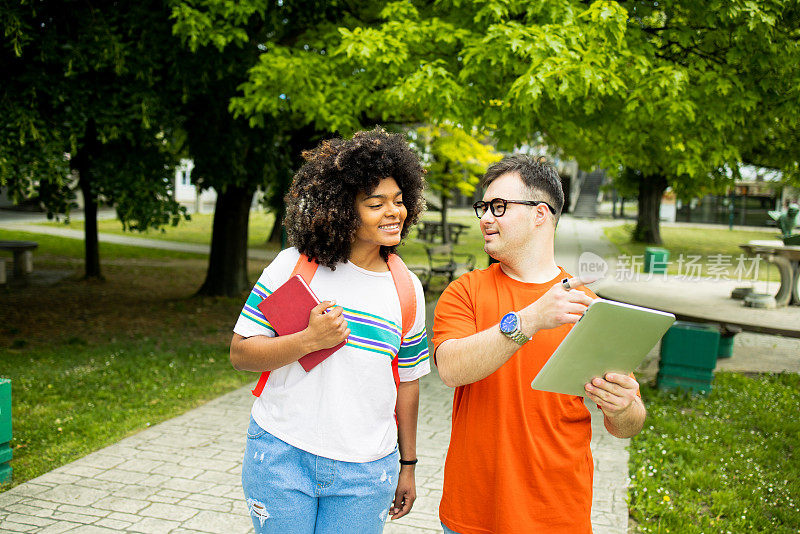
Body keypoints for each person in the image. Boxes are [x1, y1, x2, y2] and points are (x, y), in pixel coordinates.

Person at [230, 128, 431, 533]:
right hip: (281, 455)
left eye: (398, 200)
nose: (395, 211)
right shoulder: (294, 267)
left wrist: (407, 466)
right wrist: (308, 340)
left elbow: (407, 384)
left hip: (366, 472)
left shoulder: (406, 289)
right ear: (341, 209)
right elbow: (241, 354)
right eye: (376, 204)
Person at [433, 155, 646, 534]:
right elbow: (450, 369)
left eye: (499, 206)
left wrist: (622, 407)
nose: (484, 218)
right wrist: (530, 319)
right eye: (483, 207)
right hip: (473, 513)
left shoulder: (588, 307)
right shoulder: (465, 291)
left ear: (540, 214)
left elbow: (628, 424)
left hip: (556, 514)